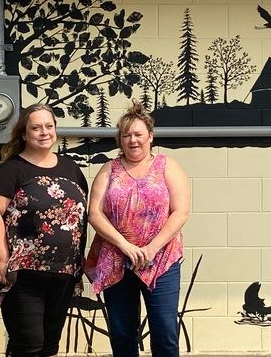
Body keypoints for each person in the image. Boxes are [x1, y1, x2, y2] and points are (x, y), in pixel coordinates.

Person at [0, 103, 88, 357]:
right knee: (28, 345)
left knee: (50, 346)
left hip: (63, 271)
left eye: (49, 126)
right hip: (23, 273)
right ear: (23, 133)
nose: (44, 132)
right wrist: (2, 258)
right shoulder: (11, 170)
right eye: (36, 127)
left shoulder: (71, 168)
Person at [85, 100, 190, 357]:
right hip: (117, 260)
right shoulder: (109, 169)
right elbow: (94, 213)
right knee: (122, 334)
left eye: (138, 134)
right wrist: (125, 246)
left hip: (161, 260)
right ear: (120, 139)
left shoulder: (168, 166)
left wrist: (152, 248)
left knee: (164, 331)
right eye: (126, 135)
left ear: (150, 136)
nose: (133, 140)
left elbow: (181, 212)